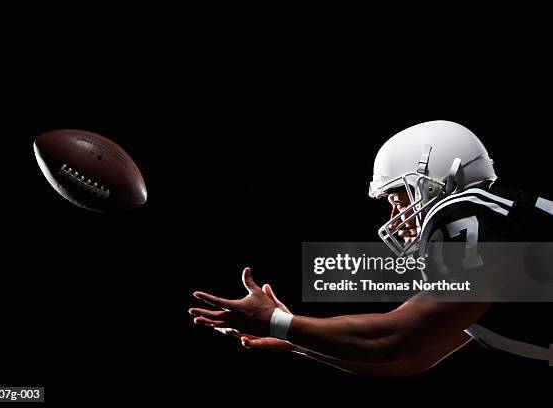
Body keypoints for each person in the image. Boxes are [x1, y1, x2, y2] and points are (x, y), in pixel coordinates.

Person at [189, 120, 553, 374]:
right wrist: (298, 338)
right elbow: (413, 355)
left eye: (398, 197)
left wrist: (277, 321)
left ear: (438, 180)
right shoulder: (503, 220)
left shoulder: (465, 212)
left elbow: (396, 337)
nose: (397, 214)